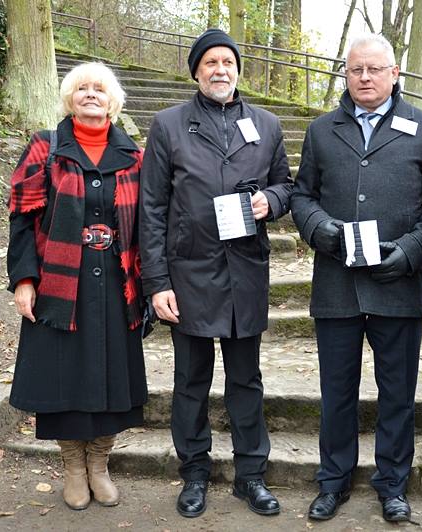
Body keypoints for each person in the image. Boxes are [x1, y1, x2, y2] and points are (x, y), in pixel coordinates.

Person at [291, 34, 422, 523]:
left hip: (398, 285)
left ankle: (392, 483)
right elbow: (301, 196)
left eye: (374, 69)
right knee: (336, 391)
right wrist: (322, 231)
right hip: (336, 284)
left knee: (396, 393)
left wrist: (409, 251)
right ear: (345, 74)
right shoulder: (321, 130)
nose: (365, 78)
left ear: (394, 73)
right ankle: (333, 480)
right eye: (356, 69)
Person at [139, 28, 293, 519]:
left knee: (246, 379)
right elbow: (151, 207)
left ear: (238, 69)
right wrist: (157, 283)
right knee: (190, 381)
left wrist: (271, 200)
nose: (220, 69)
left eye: (227, 61)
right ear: (196, 72)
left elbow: (287, 186)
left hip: (245, 271)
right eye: (210, 63)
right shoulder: (168, 125)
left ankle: (251, 475)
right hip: (188, 274)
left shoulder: (266, 125)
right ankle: (195, 474)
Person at [7, 62, 147, 511]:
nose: (91, 94)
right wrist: (25, 279)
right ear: (69, 99)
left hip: (116, 284)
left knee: (110, 373)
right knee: (63, 375)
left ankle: (100, 463)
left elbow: (149, 224)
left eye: (99, 89)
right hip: (60, 284)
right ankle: (72, 464)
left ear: (113, 101)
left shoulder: (134, 156)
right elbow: (22, 217)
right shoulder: (45, 147)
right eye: (81, 88)